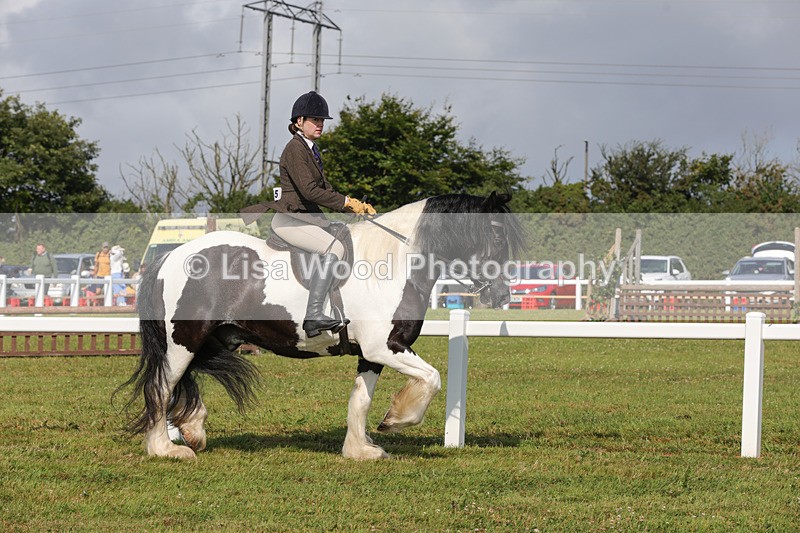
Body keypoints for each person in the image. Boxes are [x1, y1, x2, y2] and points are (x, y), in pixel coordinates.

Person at [269, 90, 376, 337]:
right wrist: (346, 203)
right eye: (315, 120)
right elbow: (309, 191)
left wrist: (353, 205)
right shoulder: (295, 149)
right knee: (334, 249)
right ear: (298, 122)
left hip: (304, 219)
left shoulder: (311, 149)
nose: (320, 125)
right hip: (290, 219)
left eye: (322, 121)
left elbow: (324, 189)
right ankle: (314, 313)